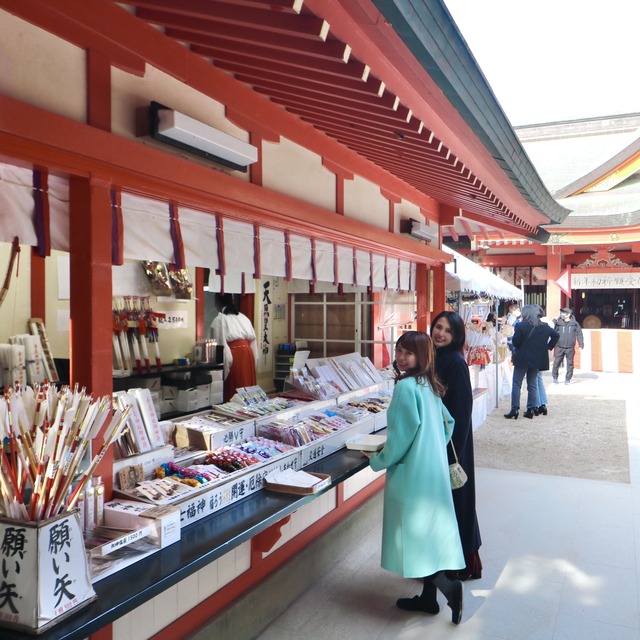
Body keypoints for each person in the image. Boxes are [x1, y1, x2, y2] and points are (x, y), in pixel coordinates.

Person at [365, 331, 464, 624]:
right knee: (429, 536)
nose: (401, 357)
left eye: (408, 353)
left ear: (422, 356)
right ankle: (428, 600)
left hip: (413, 475)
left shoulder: (406, 387)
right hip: (433, 471)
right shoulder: (428, 384)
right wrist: (431, 445)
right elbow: (449, 423)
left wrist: (377, 460)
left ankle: (449, 588)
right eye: (398, 351)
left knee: (413, 537)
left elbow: (399, 438)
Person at [430, 311, 483, 581]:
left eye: (447, 330)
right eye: (437, 327)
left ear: (456, 336)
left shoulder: (455, 362)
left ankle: (462, 565)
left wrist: (454, 455)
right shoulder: (436, 357)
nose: (440, 333)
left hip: (452, 446)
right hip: (440, 442)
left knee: (457, 503)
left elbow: (462, 412)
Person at [504, 304, 559, 420]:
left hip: (522, 358)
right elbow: (556, 335)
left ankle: (515, 408)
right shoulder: (544, 326)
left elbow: (515, 342)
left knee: (517, 384)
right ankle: (530, 409)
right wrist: (548, 347)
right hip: (537, 359)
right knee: (532, 385)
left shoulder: (521, 326)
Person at [210, 293, 258, 401]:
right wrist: (253, 362)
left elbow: (221, 345)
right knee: (247, 390)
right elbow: (253, 341)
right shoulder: (243, 317)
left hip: (234, 356)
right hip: (248, 354)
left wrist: (225, 367)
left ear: (217, 302)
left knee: (234, 389)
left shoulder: (219, 320)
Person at [552, 307, 584, 385]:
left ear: (568, 314)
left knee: (570, 364)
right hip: (559, 347)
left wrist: (581, 345)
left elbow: (579, 334)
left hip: (570, 348)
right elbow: (552, 331)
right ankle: (555, 377)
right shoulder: (558, 322)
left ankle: (568, 379)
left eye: (563, 313)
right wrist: (554, 321)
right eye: (561, 313)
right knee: (556, 363)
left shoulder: (574, 324)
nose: (561, 314)